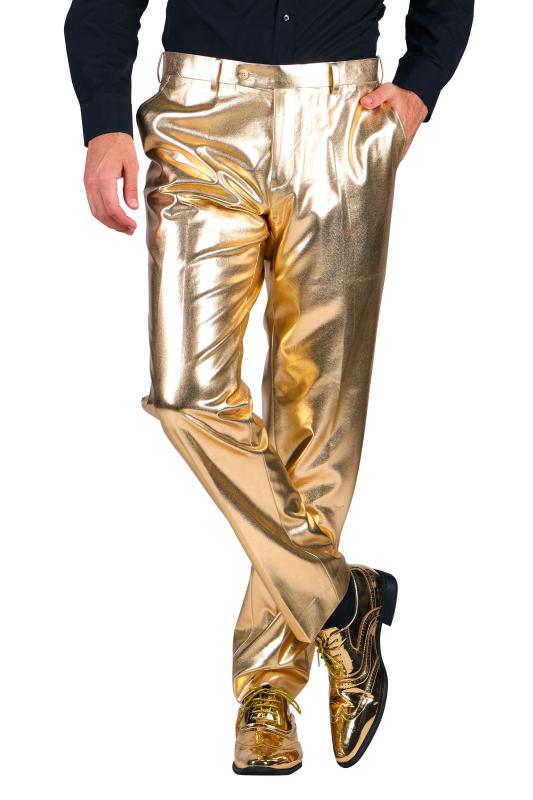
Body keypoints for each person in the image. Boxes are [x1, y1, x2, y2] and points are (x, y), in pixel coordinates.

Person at [64, 0, 474, 776]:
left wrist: (422, 81)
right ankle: (340, 600)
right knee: (186, 394)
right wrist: (102, 120)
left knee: (317, 415)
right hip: (200, 117)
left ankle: (268, 691)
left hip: (342, 116)